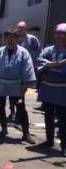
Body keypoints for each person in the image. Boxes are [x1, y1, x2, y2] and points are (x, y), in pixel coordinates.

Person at [0, 29, 36, 144]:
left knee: (21, 108)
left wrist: (24, 88)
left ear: (17, 39)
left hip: (16, 84)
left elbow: (28, 70)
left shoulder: (24, 52)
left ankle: (26, 133)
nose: (10, 40)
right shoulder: (0, 51)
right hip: (1, 82)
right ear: (5, 39)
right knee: (0, 107)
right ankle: (3, 129)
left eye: (13, 38)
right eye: (8, 37)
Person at [37, 23, 66, 157]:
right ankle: (49, 140)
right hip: (48, 88)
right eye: (57, 34)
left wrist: (51, 67)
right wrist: (58, 65)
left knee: (63, 119)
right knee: (48, 117)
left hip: (62, 91)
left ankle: (64, 145)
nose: (59, 37)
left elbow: (63, 72)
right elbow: (40, 63)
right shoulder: (48, 49)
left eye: (62, 34)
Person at [16, 21, 43, 113]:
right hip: (17, 69)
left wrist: (36, 65)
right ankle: (16, 110)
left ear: (25, 29)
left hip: (28, 68)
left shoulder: (32, 39)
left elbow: (39, 52)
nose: (20, 30)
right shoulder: (16, 39)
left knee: (22, 90)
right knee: (17, 91)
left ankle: (20, 112)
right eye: (18, 28)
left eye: (22, 28)